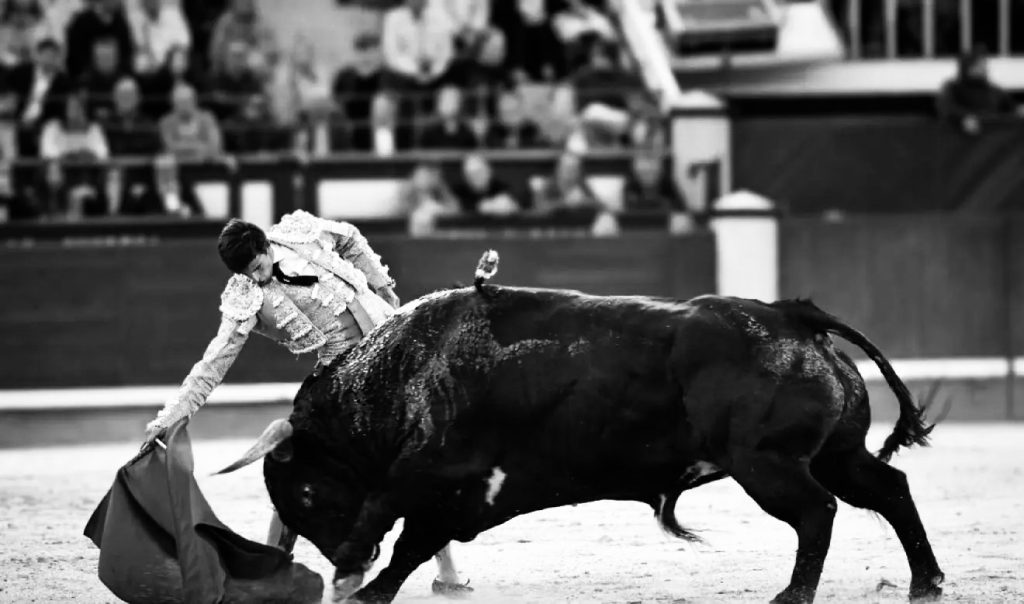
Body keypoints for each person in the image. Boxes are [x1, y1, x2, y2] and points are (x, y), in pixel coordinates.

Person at [142, 211, 472, 597]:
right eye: (247, 275)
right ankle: (269, 571)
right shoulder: (245, 295)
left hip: (397, 351)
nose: (257, 279)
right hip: (343, 377)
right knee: (296, 468)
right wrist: (171, 416)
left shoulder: (299, 234)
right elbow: (214, 362)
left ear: (265, 245)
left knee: (420, 462)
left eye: (258, 266)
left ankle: (448, 572)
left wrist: (381, 285)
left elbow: (349, 236)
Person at [936, 47, 1021, 135]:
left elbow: (1011, 107)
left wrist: (1018, 109)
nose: (986, 68)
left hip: (993, 141)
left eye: (984, 64)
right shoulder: (953, 87)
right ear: (969, 68)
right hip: (962, 142)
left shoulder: (994, 90)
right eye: (980, 64)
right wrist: (964, 118)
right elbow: (946, 107)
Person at [64, 0, 134, 79]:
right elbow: (75, 55)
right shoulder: (81, 22)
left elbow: (127, 52)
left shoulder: (120, 22)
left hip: (117, 76)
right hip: (88, 77)